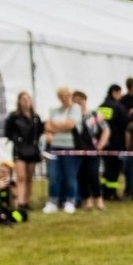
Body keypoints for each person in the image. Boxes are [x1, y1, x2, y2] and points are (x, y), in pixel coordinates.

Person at [43, 86, 82, 214]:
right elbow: (48, 125)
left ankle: (70, 201)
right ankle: (53, 201)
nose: (66, 98)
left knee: (70, 175)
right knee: (54, 175)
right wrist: (60, 127)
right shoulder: (54, 110)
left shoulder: (75, 109)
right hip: (55, 147)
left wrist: (55, 128)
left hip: (70, 147)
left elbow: (71, 124)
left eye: (68, 95)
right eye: (63, 95)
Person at [3, 91, 41, 211]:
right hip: (19, 149)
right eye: (23, 99)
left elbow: (39, 132)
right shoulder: (14, 117)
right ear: (19, 101)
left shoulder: (35, 117)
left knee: (29, 177)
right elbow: (7, 132)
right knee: (21, 177)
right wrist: (16, 139)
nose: (26, 101)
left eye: (28, 99)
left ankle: (26, 200)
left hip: (32, 149)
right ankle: (20, 202)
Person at [73, 89, 109, 211]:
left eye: (80, 100)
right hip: (77, 150)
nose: (78, 103)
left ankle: (99, 199)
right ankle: (86, 200)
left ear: (85, 100)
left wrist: (101, 144)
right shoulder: (72, 116)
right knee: (81, 175)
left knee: (93, 174)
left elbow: (106, 129)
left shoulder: (94, 114)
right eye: (75, 101)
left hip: (92, 149)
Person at [97, 85, 127, 201]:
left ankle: (103, 190)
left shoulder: (101, 106)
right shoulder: (118, 107)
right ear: (115, 92)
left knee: (106, 167)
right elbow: (126, 122)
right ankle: (112, 192)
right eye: (119, 93)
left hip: (104, 142)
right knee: (115, 168)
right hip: (116, 142)